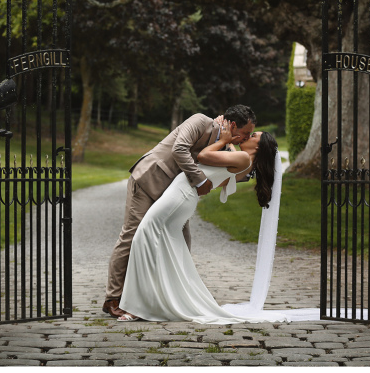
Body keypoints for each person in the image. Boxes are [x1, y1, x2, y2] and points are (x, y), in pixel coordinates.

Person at [116, 123, 285, 323]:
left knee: (143, 235)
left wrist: (223, 140)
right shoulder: (243, 162)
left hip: (181, 193)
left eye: (253, 135)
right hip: (183, 194)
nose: (247, 135)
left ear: (259, 146)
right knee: (169, 246)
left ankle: (138, 307)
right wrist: (228, 139)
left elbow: (203, 156)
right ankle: (167, 300)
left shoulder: (242, 159)